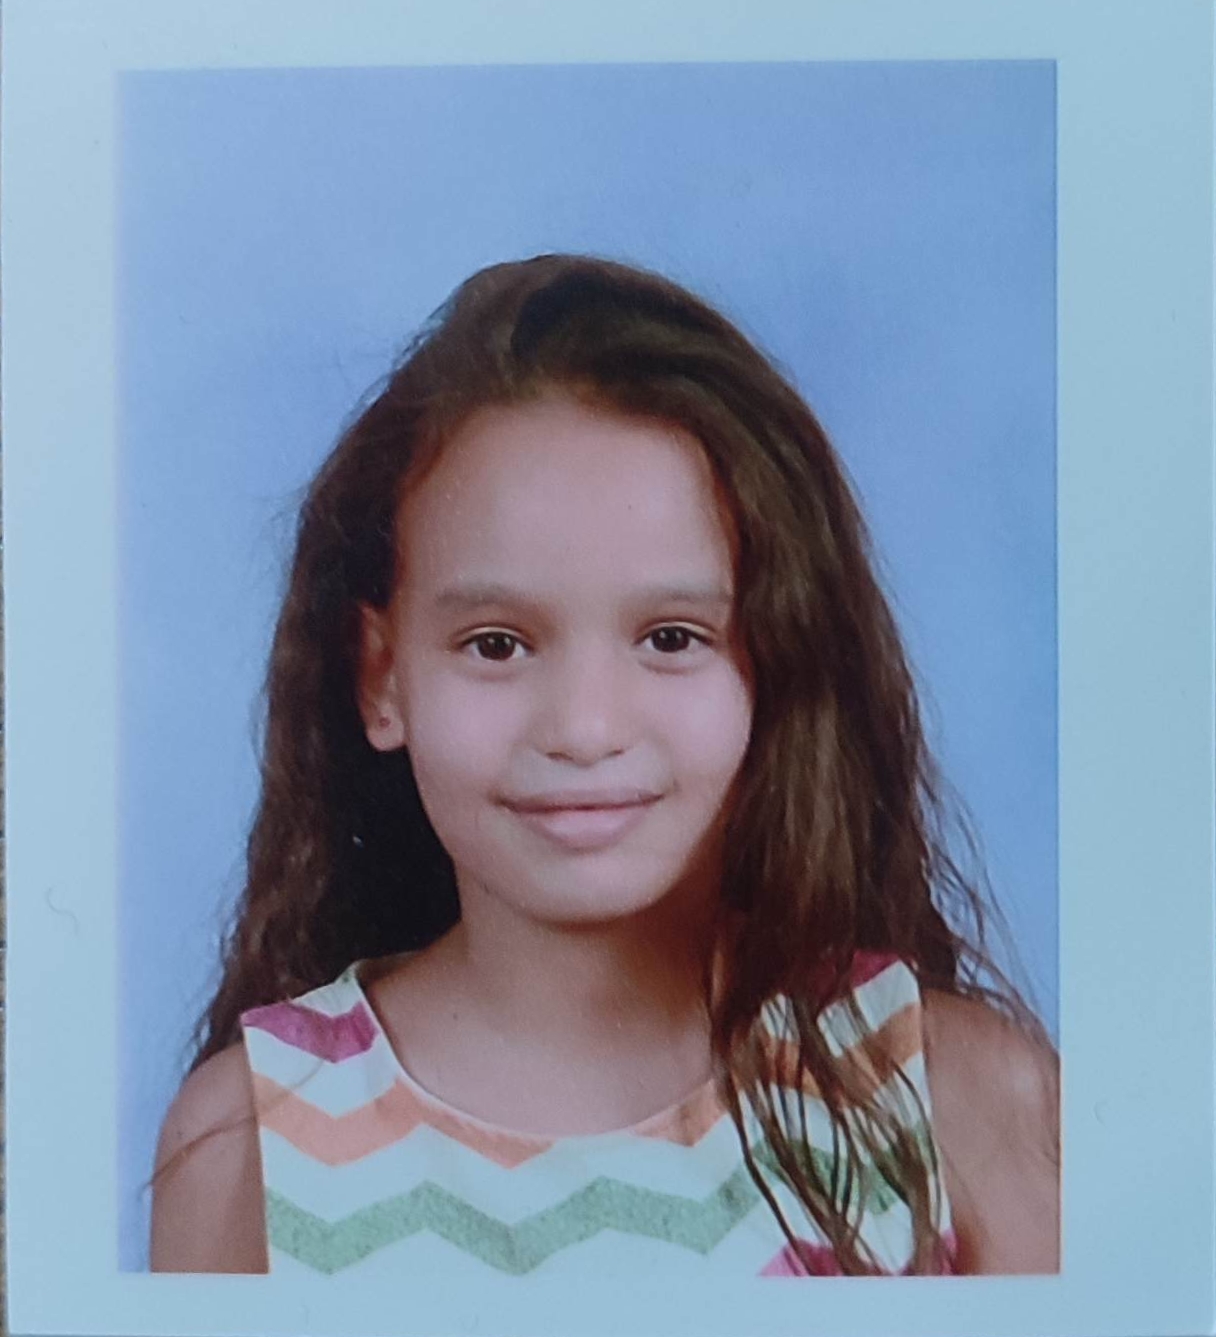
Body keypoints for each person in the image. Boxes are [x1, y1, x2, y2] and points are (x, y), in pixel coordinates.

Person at [149, 253, 1059, 1279]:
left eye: (671, 638)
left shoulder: (960, 1106)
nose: (583, 729)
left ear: (781, 660)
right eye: (497, 644)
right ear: (380, 678)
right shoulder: (250, 1150)